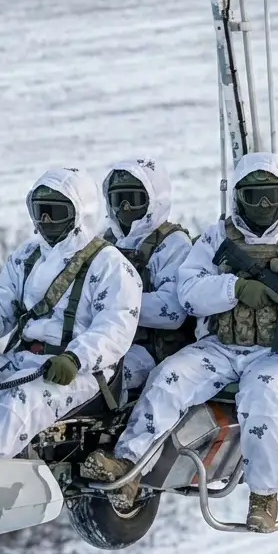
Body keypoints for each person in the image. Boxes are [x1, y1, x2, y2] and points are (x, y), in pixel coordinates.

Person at [80, 152, 278, 533]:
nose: (263, 205)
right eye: (252, 196)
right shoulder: (217, 237)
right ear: (237, 197)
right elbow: (188, 292)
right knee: (168, 379)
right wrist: (235, 289)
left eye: (272, 195)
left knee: (265, 397)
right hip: (222, 346)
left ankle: (264, 496)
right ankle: (129, 466)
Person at [0, 167, 141, 459]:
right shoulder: (28, 256)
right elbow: (0, 303)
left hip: (80, 373)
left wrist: (75, 357)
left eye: (55, 212)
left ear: (79, 214)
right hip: (22, 359)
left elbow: (114, 328)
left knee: (17, 403)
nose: (45, 220)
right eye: (40, 211)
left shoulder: (110, 265)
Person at [100, 158, 194, 391]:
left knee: (101, 380)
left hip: (152, 349)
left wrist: (109, 305)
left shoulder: (173, 243)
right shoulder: (108, 241)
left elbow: (172, 311)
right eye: (118, 199)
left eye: (134, 199)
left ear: (154, 199)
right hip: (107, 340)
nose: (125, 208)